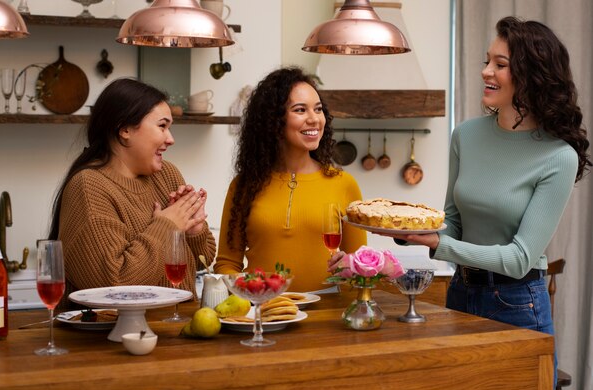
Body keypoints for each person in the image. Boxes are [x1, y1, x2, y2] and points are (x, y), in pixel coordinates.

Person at [333, 17, 590, 336]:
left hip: (517, 303)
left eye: (500, 64)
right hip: (461, 291)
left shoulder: (558, 156)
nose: (486, 71)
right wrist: (406, 228)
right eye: (487, 61)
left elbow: (519, 258)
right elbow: (453, 223)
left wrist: (438, 243)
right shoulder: (466, 136)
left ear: (532, 76)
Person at [48, 78, 216, 308]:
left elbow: (202, 262)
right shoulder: (89, 187)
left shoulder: (166, 175)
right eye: (162, 126)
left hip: (176, 331)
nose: (171, 139)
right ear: (125, 129)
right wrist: (167, 226)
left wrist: (193, 230)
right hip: (112, 340)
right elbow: (114, 285)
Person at [214, 66, 367, 292]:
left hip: (327, 315)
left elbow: (362, 268)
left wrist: (348, 266)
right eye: (300, 110)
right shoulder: (244, 185)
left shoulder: (344, 184)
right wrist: (249, 294)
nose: (314, 119)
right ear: (273, 120)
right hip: (264, 314)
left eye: (318, 109)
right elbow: (227, 263)